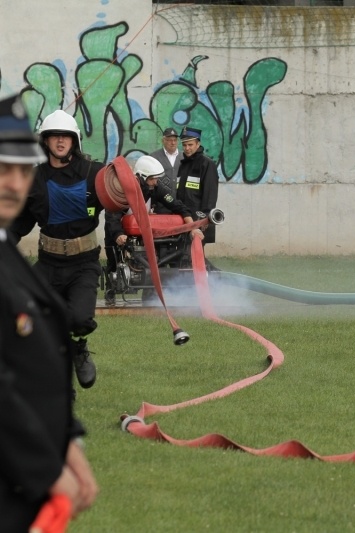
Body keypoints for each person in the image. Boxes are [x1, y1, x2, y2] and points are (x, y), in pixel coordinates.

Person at [0, 93, 98, 531]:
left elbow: (30, 370)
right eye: (3, 168)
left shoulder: (9, 258)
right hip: (17, 480)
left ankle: (81, 348)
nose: (14, 183)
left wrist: (68, 444)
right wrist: (48, 467)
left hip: (24, 491)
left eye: (22, 170)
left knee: (70, 320)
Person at [10, 109, 106, 390]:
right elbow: (22, 221)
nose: (60, 141)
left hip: (84, 265)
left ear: (74, 141)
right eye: (54, 136)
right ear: (46, 141)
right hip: (48, 264)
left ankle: (78, 348)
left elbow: (118, 197)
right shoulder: (34, 178)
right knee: (26, 320)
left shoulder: (94, 173)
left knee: (78, 319)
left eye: (66, 136)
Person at [103, 155, 203, 305]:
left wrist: (192, 227)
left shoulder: (155, 188)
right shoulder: (123, 189)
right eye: (152, 179)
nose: (155, 182)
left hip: (143, 231)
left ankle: (150, 298)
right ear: (141, 177)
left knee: (154, 259)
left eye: (156, 179)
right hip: (119, 229)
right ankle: (111, 288)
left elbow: (177, 205)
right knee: (113, 261)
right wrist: (118, 234)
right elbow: (112, 215)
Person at [175, 126, 219, 244]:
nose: (187, 148)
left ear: (198, 144)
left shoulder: (207, 164)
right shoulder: (183, 165)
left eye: (190, 145)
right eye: (184, 145)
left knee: (195, 257)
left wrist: (204, 218)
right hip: (183, 218)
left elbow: (210, 195)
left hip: (199, 219)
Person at [149, 127, 183, 215]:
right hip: (160, 206)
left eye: (175, 140)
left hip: (180, 205)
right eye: (169, 140)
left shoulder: (184, 157)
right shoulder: (154, 157)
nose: (173, 143)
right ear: (163, 140)